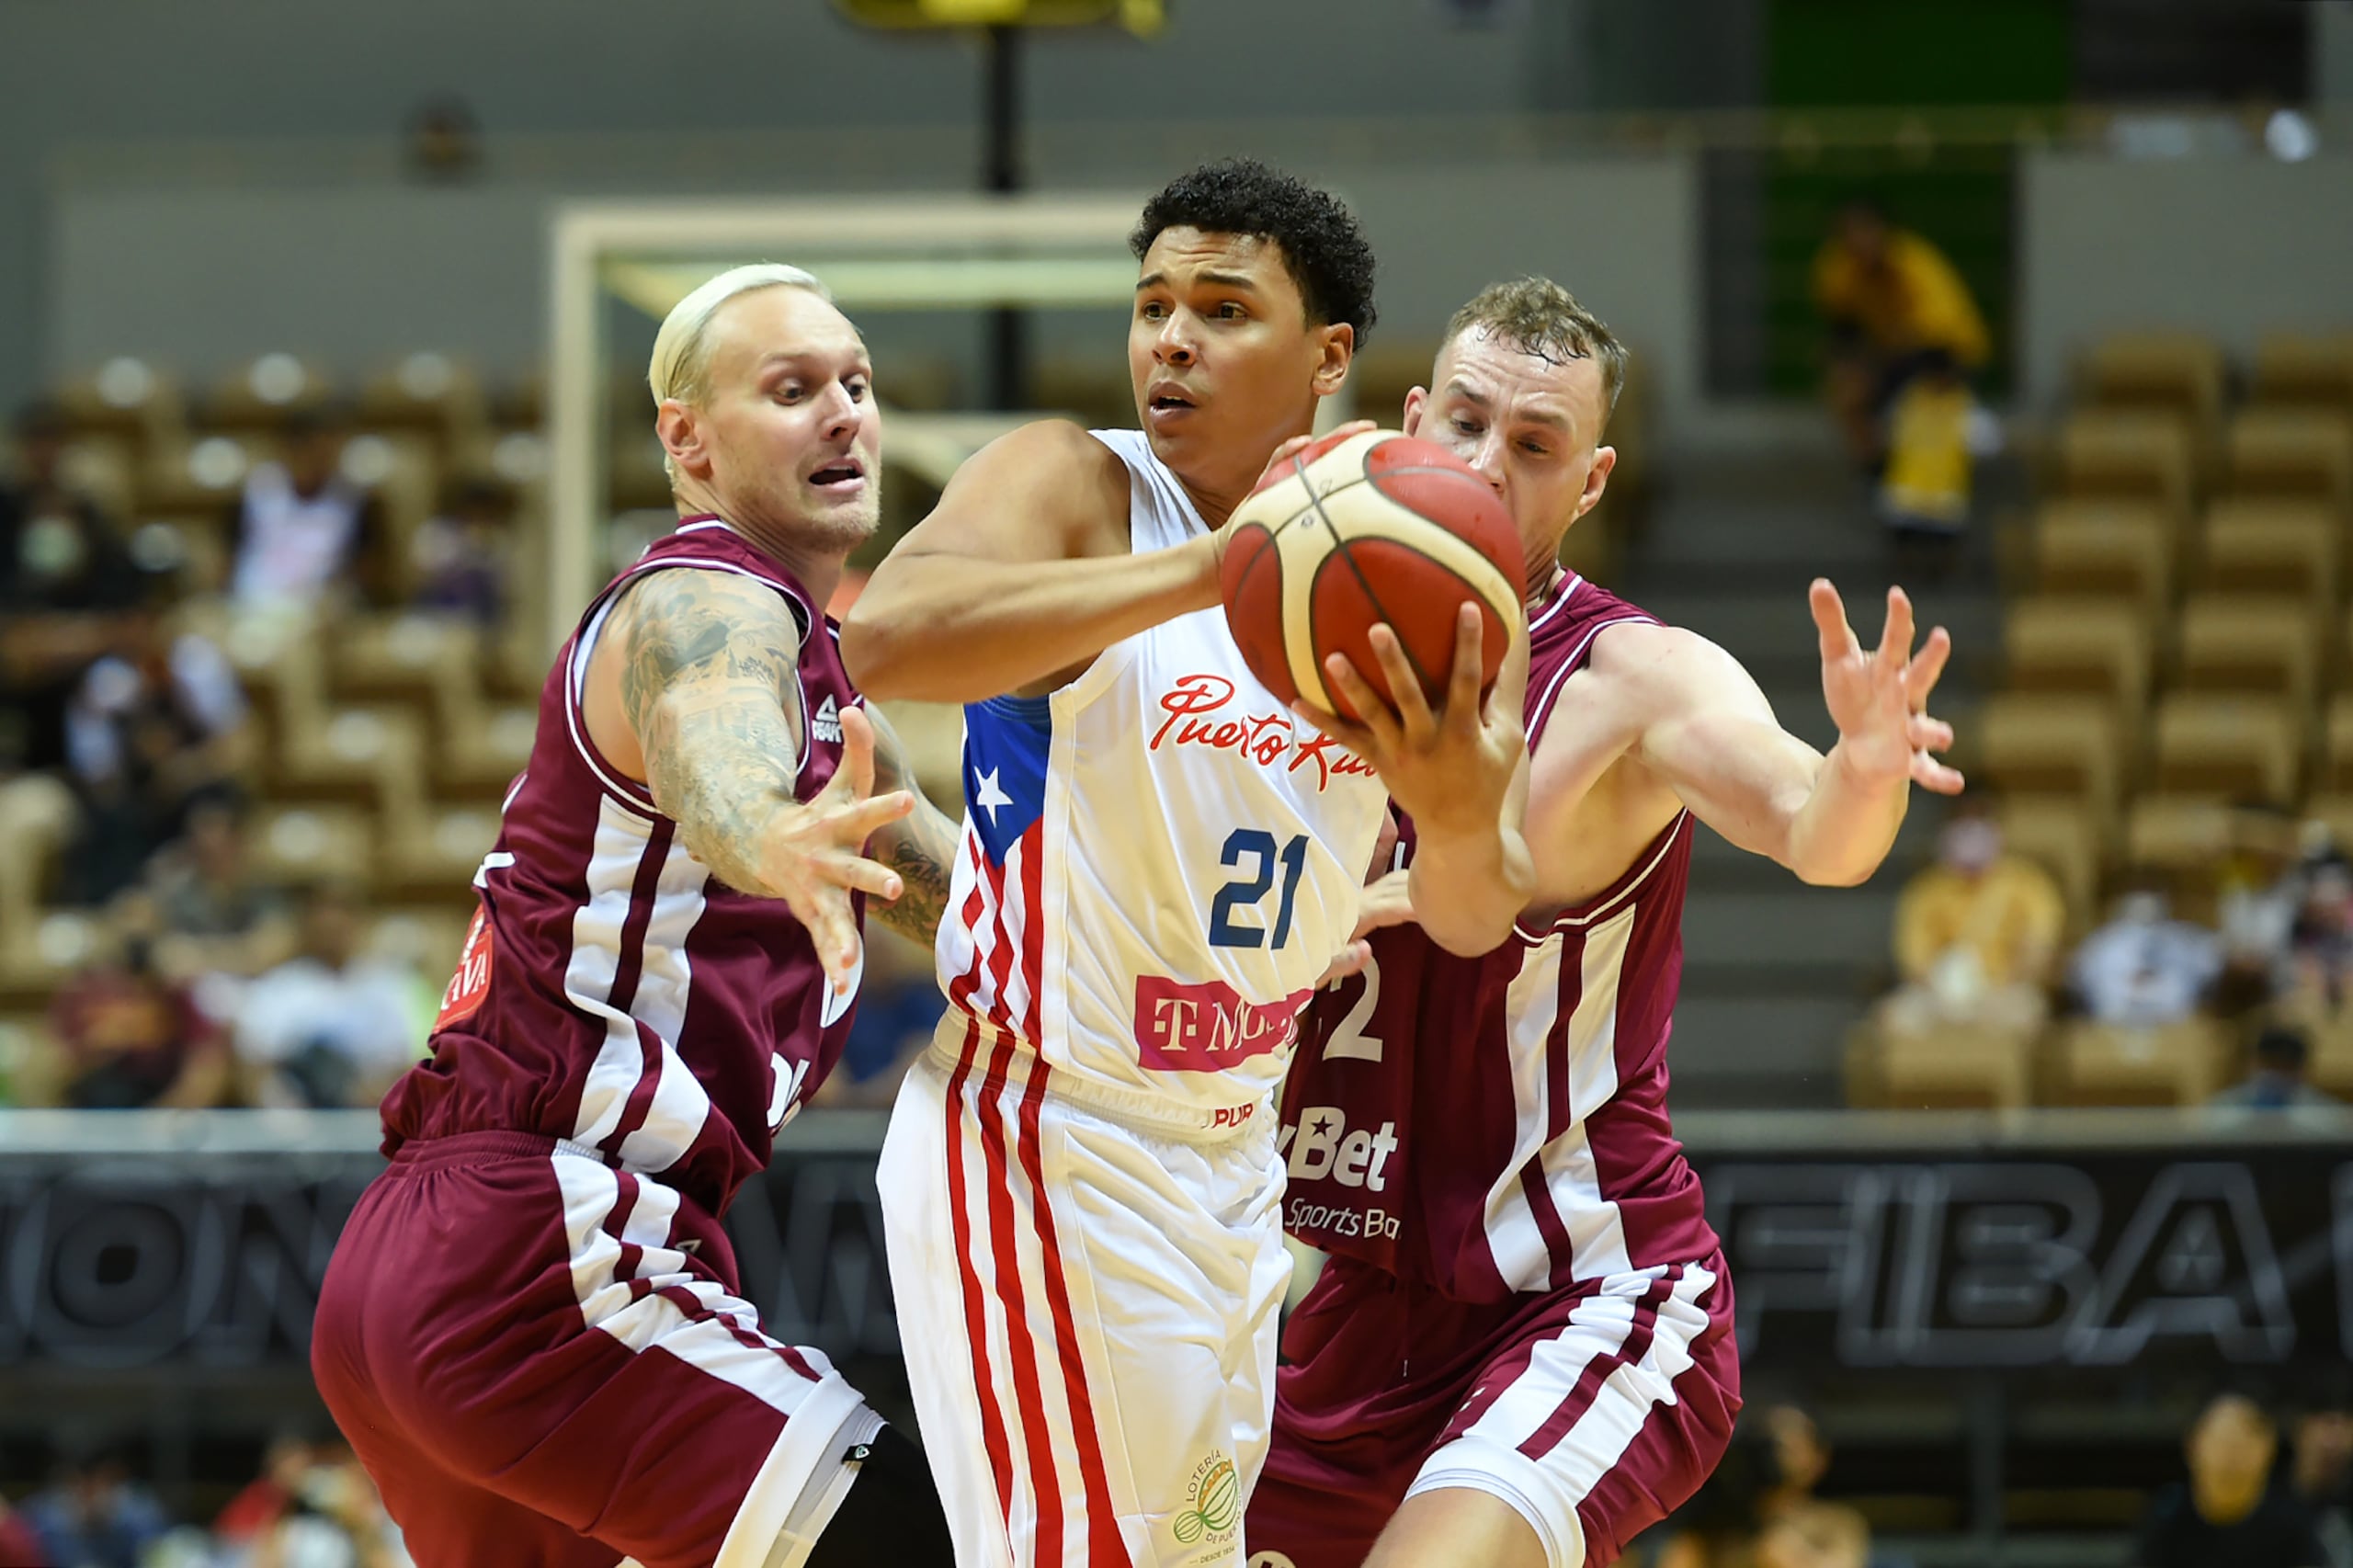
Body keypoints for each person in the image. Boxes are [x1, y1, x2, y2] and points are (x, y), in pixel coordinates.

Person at [844, 160, 1530, 1566]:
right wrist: (1226, 565)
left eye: (1224, 308)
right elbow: (888, 639)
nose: (1171, 338)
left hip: (1234, 1160)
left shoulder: (1418, 566)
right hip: (1047, 1137)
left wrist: (1459, 818)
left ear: (1329, 354)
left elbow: (1474, 911)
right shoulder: (1079, 485)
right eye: (1154, 304)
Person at [1248, 277, 1961, 1568]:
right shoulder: (1293, 652)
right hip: (1352, 1302)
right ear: (1408, 422)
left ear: (1590, 481)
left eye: (1532, 446)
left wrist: (1863, 767)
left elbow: (1817, 834)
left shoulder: (1636, 679)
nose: (1484, 466)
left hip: (1586, 1283)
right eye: (1463, 423)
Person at [310, 264, 963, 1568]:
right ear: (688, 440)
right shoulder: (706, 600)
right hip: (545, 1256)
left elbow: (995, 922)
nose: (843, 412)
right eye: (792, 389)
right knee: (941, 1545)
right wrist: (762, 829)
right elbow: (713, 751)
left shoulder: (830, 694)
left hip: (426, 1261)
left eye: (856, 382)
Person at [1877, 801, 2063, 1048]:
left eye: (1979, 822)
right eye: (1962, 824)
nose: (1970, 833)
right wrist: (1945, 988)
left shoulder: (2027, 883)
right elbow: (1913, 959)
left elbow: (2039, 949)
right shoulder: (1925, 890)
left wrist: (2001, 985)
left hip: (2004, 991)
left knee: (2026, 1017)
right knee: (1893, 1019)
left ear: (1997, 829)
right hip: (1939, 994)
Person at [230, 881, 426, 1108]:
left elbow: (404, 1062)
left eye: (343, 912)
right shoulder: (279, 988)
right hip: (299, 1118)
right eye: (323, 915)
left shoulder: (388, 986)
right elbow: (254, 1066)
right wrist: (283, 1116)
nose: (333, 923)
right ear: (307, 923)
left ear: (358, 921)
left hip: (370, 1115)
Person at [2131, 1392, 2328, 1568]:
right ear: (2193, 1446)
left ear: (2268, 1449)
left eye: (2242, 1444)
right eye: (2223, 1442)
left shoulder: (2294, 1527)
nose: (2231, 1456)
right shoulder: (2167, 1517)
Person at [2070, 876, 2222, 1028]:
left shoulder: (2180, 938)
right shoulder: (2104, 942)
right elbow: (2082, 974)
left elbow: (2210, 961)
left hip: (2173, 1015)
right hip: (2114, 1016)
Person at [2209, 1025, 2340, 1114]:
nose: (2276, 1076)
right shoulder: (2222, 1108)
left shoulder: (2325, 1112)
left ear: (2301, 1069)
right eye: (2271, 1066)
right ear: (2254, 1063)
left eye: (2285, 1068)